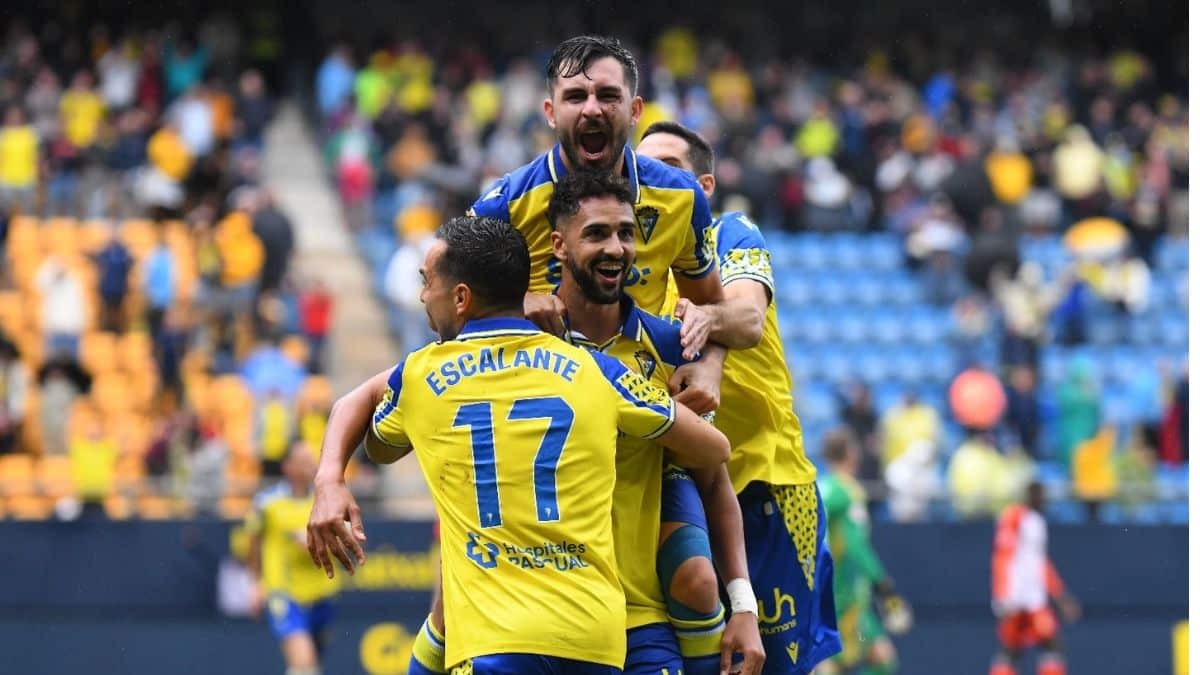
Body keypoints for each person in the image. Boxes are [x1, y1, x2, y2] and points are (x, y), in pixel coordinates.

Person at [307, 216, 731, 675]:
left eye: (427, 282)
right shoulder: (595, 371)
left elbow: (377, 438)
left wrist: (331, 477)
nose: (423, 296)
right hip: (593, 639)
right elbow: (713, 447)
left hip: (495, 641)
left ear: (462, 297)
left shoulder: (423, 375)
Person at [639, 121, 842, 673]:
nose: (650, 178)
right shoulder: (631, 263)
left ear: (703, 186)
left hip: (768, 485)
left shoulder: (732, 232)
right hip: (682, 490)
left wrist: (706, 322)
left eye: (669, 167)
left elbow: (748, 317)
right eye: (642, 166)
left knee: (768, 664)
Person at [548, 171, 764, 674]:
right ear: (558, 245)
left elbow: (713, 477)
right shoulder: (525, 342)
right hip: (547, 616)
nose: (617, 248)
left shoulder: (672, 346)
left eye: (626, 233)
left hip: (639, 615)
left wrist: (745, 607)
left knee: (696, 579)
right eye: (598, 233)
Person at [815, 429, 910, 675]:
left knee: (836, 659)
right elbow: (855, 543)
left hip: (827, 588)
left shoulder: (820, 487)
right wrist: (881, 580)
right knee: (878, 659)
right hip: (848, 591)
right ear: (850, 454)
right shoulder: (848, 491)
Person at [246, 442, 340, 675]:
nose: (311, 465)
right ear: (288, 466)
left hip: (321, 592)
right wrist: (256, 583)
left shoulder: (328, 501)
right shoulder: (267, 503)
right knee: (304, 663)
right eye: (304, 460)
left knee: (314, 664)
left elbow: (345, 540)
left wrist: (320, 541)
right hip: (284, 592)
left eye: (312, 459)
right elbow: (254, 543)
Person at [990, 482, 1082, 675]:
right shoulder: (1014, 517)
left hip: (1033, 597)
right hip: (1018, 597)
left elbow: (1040, 564)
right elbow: (1002, 557)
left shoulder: (1036, 522)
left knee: (1019, 649)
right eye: (1042, 496)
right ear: (1032, 496)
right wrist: (1002, 596)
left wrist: (1060, 595)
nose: (1045, 501)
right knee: (1034, 646)